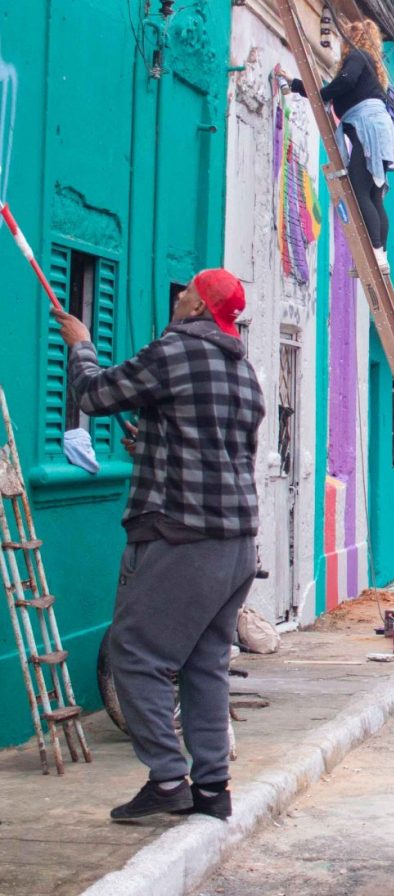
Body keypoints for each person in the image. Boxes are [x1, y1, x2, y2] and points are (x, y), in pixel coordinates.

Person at [55, 269, 264, 822]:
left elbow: (95, 393)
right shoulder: (244, 370)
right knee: (204, 664)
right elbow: (211, 446)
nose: (179, 296)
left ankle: (169, 778)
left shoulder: (174, 351)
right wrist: (151, 440)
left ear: (200, 307)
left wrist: (81, 346)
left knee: (137, 655)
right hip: (238, 542)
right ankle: (212, 789)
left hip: (181, 536)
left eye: (188, 291)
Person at [290, 19, 394, 270]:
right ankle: (381, 255)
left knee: (360, 191)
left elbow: (343, 84)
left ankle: (376, 255)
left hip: (367, 128)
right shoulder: (370, 64)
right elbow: (341, 88)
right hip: (378, 129)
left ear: (352, 39)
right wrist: (300, 87)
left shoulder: (357, 57)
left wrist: (320, 93)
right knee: (374, 195)